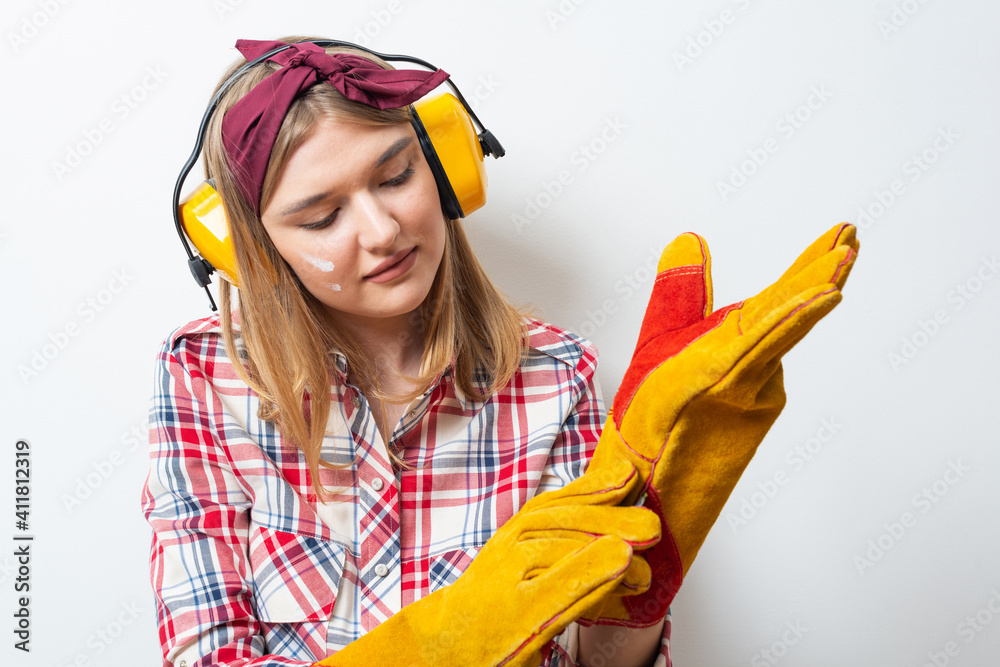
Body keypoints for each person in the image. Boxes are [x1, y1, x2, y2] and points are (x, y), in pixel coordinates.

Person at [143, 37, 671, 667]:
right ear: (251, 252)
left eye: (396, 176)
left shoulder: (559, 378)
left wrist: (667, 528)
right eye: (321, 218)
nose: (383, 231)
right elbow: (207, 655)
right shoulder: (203, 377)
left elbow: (595, 661)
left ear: (446, 166)